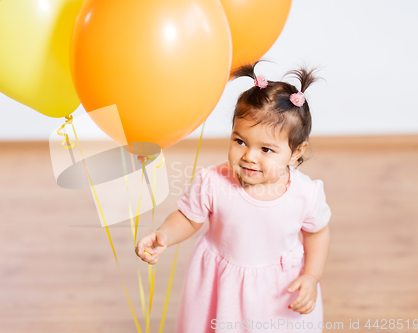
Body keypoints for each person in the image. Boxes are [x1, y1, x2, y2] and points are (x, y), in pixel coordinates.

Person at [135, 61, 331, 333]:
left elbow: (317, 233)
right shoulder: (213, 182)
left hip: (279, 286)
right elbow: (188, 218)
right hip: (222, 283)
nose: (249, 156)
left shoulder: (305, 194)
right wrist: (165, 234)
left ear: (297, 152)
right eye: (240, 141)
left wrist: (311, 276)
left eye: (266, 149)